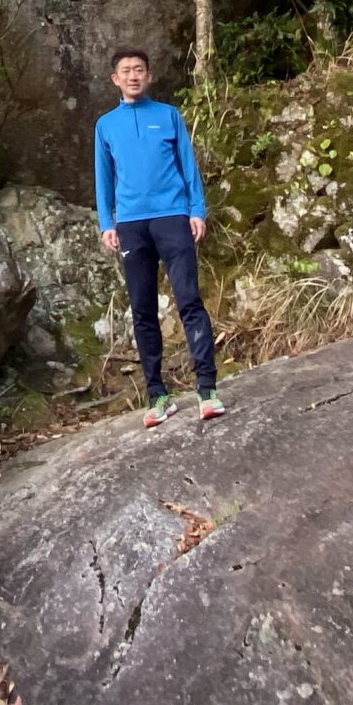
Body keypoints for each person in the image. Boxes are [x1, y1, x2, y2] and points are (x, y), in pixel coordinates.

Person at [94, 48, 223, 425]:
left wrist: (196, 210)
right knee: (143, 310)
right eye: (126, 71)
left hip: (171, 217)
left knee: (189, 300)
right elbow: (103, 177)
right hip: (132, 223)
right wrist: (107, 222)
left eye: (139, 70)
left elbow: (188, 165)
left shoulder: (168, 116)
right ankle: (157, 395)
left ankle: (207, 389)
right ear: (115, 79)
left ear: (149, 76)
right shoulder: (106, 125)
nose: (133, 76)